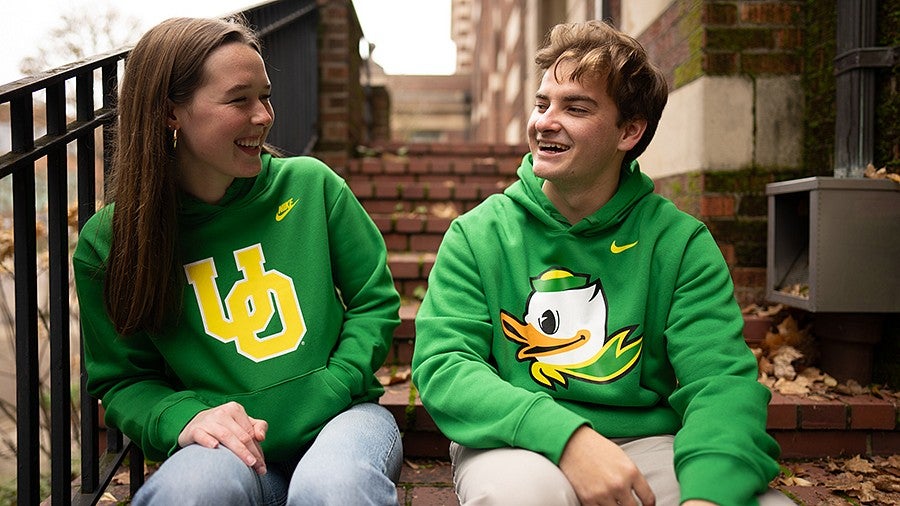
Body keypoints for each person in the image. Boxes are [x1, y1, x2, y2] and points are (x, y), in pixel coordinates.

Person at [412, 20, 793, 506]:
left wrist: (710, 493)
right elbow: (446, 366)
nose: (545, 121)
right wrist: (570, 439)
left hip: (648, 446)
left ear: (629, 131)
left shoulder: (678, 243)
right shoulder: (478, 234)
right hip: (515, 440)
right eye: (542, 103)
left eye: (575, 108)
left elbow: (720, 384)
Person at [73, 16, 403, 505]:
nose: (265, 115)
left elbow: (373, 301)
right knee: (191, 492)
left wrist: (334, 382)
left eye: (265, 96)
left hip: (344, 422)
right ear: (171, 114)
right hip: (227, 447)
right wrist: (186, 417)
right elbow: (123, 379)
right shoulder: (112, 239)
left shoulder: (310, 186)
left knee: (334, 487)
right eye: (239, 99)